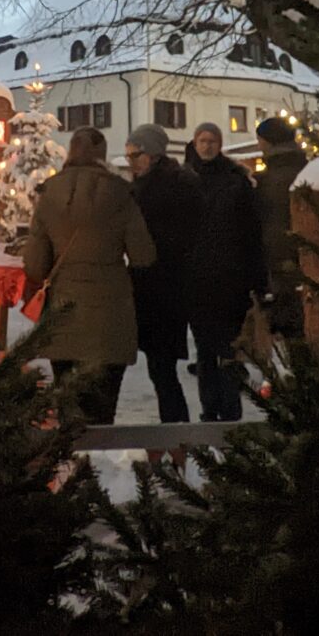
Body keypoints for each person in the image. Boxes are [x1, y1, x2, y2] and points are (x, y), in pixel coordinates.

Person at [22, 127, 157, 424]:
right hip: (110, 316)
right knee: (102, 411)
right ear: (102, 154)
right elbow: (143, 255)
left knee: (69, 410)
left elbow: (34, 265)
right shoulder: (120, 192)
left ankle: (71, 465)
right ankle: (102, 466)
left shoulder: (49, 193)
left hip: (63, 316)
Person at [185, 121, 264, 421]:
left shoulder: (235, 181)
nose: (207, 146)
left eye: (212, 141)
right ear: (194, 143)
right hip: (198, 279)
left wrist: (256, 278)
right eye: (202, 140)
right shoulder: (185, 179)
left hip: (231, 278)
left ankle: (230, 408)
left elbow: (251, 232)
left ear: (219, 144)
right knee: (205, 350)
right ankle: (209, 407)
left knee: (229, 348)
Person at [126, 123, 200, 423]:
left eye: (136, 155)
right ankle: (174, 429)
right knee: (161, 369)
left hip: (165, 288)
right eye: (128, 155)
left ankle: (175, 431)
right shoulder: (149, 184)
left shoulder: (172, 186)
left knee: (163, 369)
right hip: (153, 286)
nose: (130, 162)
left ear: (153, 155)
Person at [253, 115, 308, 340]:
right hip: (302, 254)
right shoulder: (303, 168)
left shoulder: (274, 177)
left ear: (266, 141)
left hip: (280, 256)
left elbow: (270, 216)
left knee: (290, 322)